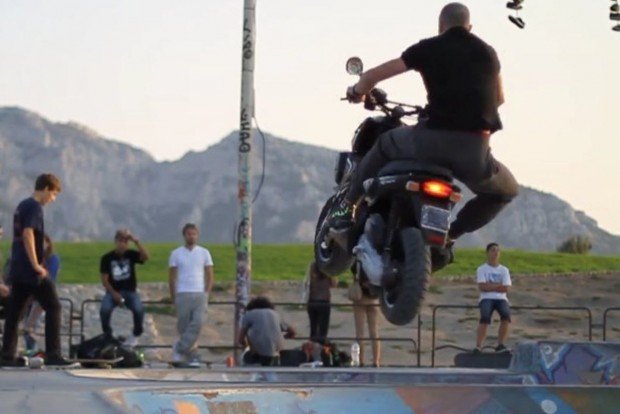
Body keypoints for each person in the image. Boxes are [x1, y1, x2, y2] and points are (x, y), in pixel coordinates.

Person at [330, 2, 519, 268]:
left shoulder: (429, 47)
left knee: (384, 144)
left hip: (430, 141)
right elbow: (499, 99)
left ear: (441, 26)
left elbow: (373, 75)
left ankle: (346, 209)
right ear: (470, 27)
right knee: (506, 191)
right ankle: (450, 235)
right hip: (475, 150)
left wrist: (358, 91)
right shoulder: (489, 53)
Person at [0, 173, 77, 366]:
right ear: (46, 189)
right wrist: (36, 265)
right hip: (30, 270)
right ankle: (54, 354)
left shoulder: (21, 205)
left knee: (14, 312)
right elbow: (27, 234)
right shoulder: (35, 207)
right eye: (53, 195)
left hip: (17, 268)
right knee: (54, 306)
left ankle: (7, 356)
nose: (53, 199)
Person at [168, 223, 214, 365]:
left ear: (197, 235)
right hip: (182, 292)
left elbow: (210, 274)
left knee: (198, 322)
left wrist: (207, 292)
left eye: (194, 234)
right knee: (184, 326)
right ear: (184, 235)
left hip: (199, 293)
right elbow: (172, 277)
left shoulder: (204, 252)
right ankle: (190, 355)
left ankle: (179, 348)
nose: (192, 236)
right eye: (189, 234)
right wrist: (173, 296)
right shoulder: (176, 253)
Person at [99, 228, 149, 347]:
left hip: (130, 291)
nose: (122, 244)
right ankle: (108, 333)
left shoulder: (131, 255)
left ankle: (136, 333)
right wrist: (113, 293)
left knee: (138, 309)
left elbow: (145, 257)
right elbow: (104, 280)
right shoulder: (107, 258)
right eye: (120, 241)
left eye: (125, 242)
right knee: (104, 310)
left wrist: (137, 242)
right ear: (115, 241)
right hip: (113, 291)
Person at [23, 234, 60, 352]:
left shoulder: (52, 259)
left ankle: (35, 348)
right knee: (27, 321)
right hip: (29, 293)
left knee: (35, 319)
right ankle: (29, 346)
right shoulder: (31, 257)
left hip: (43, 294)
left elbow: (50, 277)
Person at [474, 242, 512, 353]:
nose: (495, 253)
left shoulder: (504, 270)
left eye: (497, 250)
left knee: (506, 316)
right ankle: (479, 345)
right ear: (488, 253)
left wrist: (491, 286)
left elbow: (507, 288)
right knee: (485, 318)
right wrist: (498, 286)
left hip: (501, 298)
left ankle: (501, 344)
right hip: (486, 298)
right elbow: (482, 287)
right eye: (493, 250)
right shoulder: (482, 269)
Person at [237, 296, 296, 367]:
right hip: (277, 350)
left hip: (258, 351)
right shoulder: (275, 314)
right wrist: (282, 337)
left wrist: (246, 346)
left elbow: (240, 339)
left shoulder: (248, 314)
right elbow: (292, 332)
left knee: (249, 334)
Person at [351, 275, 381, 367]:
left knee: (360, 333)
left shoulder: (359, 265)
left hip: (360, 299)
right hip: (374, 300)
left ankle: (361, 361)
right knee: (374, 332)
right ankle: (376, 361)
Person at [306, 260, 336, 343]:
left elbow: (308, 283)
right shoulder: (328, 267)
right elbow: (334, 283)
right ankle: (320, 349)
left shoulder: (313, 266)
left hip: (312, 300)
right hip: (324, 301)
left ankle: (312, 349)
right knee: (322, 331)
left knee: (313, 329)